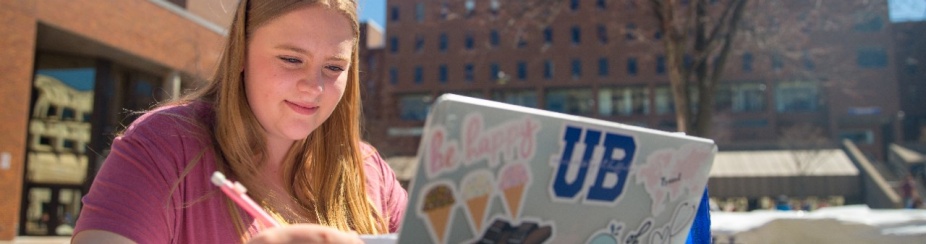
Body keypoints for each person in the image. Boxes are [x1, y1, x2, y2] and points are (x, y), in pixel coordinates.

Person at [71, 0, 407, 243]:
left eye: (334, 67)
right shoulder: (164, 145)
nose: (314, 86)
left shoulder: (369, 172)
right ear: (241, 53)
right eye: (291, 59)